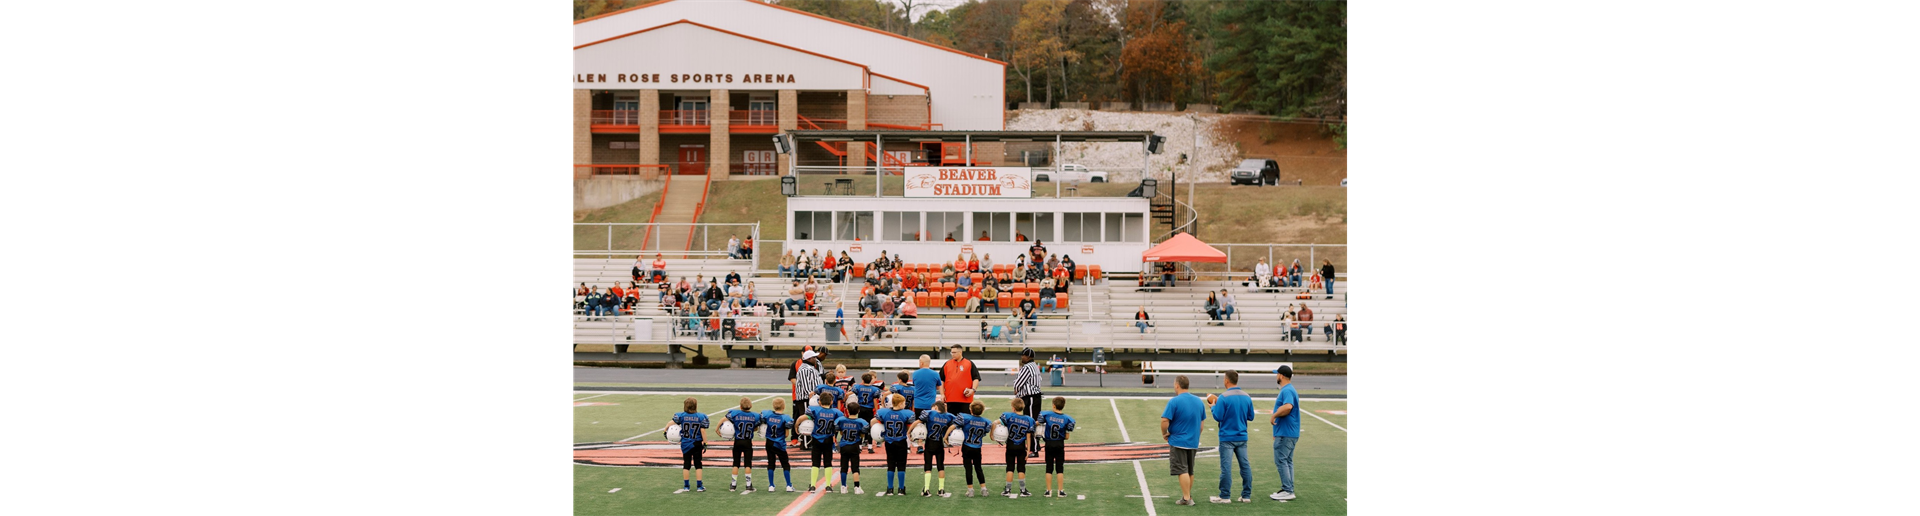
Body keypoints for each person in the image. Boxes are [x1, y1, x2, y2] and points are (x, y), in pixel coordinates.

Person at [1209, 372, 1256, 503]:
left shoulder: (1223, 397)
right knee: (1245, 466)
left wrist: (1213, 407)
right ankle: (1246, 495)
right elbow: (1251, 416)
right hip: (1242, 436)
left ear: (1226, 380)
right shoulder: (1247, 396)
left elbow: (1218, 417)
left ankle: (1225, 495)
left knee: (1226, 468)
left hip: (1227, 437)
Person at [1160, 375, 1207, 505]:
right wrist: (1195, 435)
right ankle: (1187, 495)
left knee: (1182, 470)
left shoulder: (1174, 401)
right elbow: (1201, 424)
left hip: (1179, 441)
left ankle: (1187, 498)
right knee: (1190, 470)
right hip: (1193, 441)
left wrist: (1164, 433)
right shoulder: (1198, 401)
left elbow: (1164, 420)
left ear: (1177, 385)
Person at [911, 396, 956, 497]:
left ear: (935, 407)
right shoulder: (949, 416)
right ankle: (941, 489)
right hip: (940, 443)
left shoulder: (930, 413)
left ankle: (926, 489)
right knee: (941, 467)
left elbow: (917, 422)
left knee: (928, 467)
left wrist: (909, 432)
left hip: (929, 443)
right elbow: (955, 425)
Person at [798, 392, 843, 493]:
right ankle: (828, 485)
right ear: (831, 402)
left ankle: (813, 485)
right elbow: (841, 422)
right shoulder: (836, 412)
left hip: (816, 439)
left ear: (819, 401)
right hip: (828, 439)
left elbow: (801, 418)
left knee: (815, 463)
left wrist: (797, 426)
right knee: (828, 462)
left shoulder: (814, 409)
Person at [1269, 365, 1301, 501]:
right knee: (1287, 461)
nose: (1276, 376)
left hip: (1286, 432)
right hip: (1289, 432)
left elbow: (1288, 406)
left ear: (1281, 375)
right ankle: (1288, 488)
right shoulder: (1289, 389)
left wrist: (1274, 415)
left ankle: (1288, 490)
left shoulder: (1286, 390)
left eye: (1277, 374)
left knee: (1281, 460)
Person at [1037, 396, 1077, 498]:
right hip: (1059, 444)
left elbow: (1038, 423)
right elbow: (1067, 437)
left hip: (1049, 444)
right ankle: (1060, 491)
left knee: (1049, 468)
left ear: (1053, 405)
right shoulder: (1068, 419)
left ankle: (1048, 491)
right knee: (1060, 468)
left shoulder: (1046, 415)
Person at [875, 394, 915, 496]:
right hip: (901, 441)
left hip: (889, 442)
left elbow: (877, 423)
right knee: (901, 465)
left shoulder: (883, 412)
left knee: (891, 465)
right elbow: (910, 426)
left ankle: (890, 489)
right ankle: (901, 489)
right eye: (904, 403)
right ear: (901, 403)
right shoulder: (907, 413)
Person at [671, 397, 710, 493]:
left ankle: (686, 486)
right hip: (697, 443)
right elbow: (703, 430)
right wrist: (705, 443)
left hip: (685, 443)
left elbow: (670, 423)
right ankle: (699, 486)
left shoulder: (681, 416)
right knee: (698, 465)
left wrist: (665, 430)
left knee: (686, 464)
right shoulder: (701, 417)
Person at [999, 398, 1036, 497]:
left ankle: (1007, 490)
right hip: (1021, 446)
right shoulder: (1029, 420)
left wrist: (993, 435)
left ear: (1013, 408)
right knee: (1021, 468)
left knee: (1010, 467)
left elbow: (996, 423)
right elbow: (1028, 436)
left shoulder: (1009, 416)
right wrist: (1028, 450)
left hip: (1010, 445)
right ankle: (1023, 490)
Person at [1012, 348, 1044, 458]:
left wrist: (1016, 392)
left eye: (1023, 355)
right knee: (1033, 421)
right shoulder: (1035, 366)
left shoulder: (1027, 367)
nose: (1022, 357)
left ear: (1028, 357)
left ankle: (1033, 449)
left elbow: (1018, 383)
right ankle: (1036, 446)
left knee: (1030, 423)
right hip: (1035, 397)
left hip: (1030, 398)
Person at [956, 401, 993, 497]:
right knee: (978, 468)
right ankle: (984, 489)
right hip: (977, 448)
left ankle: (970, 490)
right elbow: (986, 430)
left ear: (971, 410)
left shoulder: (965, 418)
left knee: (968, 469)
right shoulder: (986, 422)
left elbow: (957, 425)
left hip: (967, 446)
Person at [726, 397, 762, 492]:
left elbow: (727, 417)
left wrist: (717, 428)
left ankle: (733, 485)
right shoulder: (755, 415)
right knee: (747, 464)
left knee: (736, 463)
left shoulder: (735, 413)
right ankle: (748, 485)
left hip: (737, 441)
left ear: (740, 406)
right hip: (747, 441)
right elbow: (757, 426)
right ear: (750, 406)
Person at [760, 398, 796, 492]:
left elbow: (762, 420)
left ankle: (771, 485)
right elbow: (787, 434)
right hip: (780, 444)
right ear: (783, 406)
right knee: (785, 464)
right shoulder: (785, 418)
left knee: (771, 464)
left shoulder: (768, 414)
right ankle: (788, 485)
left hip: (769, 443)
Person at [834, 404, 869, 494]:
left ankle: (843, 486)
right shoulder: (861, 422)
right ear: (858, 411)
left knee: (844, 467)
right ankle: (857, 487)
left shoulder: (841, 420)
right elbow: (862, 434)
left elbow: (841, 432)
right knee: (855, 467)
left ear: (847, 411)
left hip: (844, 445)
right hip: (854, 445)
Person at [941, 344, 980, 416]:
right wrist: (942, 394)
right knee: (951, 421)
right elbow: (942, 380)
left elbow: (976, 378)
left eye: (954, 352)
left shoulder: (969, 363)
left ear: (960, 352)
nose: (952, 354)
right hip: (950, 398)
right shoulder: (947, 364)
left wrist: (973, 389)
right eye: (951, 352)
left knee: (965, 421)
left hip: (965, 399)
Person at [793, 350, 823, 438]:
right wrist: (813, 396)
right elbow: (806, 386)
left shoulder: (810, 368)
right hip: (806, 399)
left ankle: (809, 441)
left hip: (811, 399)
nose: (815, 359)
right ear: (809, 359)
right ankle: (805, 442)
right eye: (814, 357)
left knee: (811, 419)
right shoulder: (805, 369)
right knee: (806, 421)